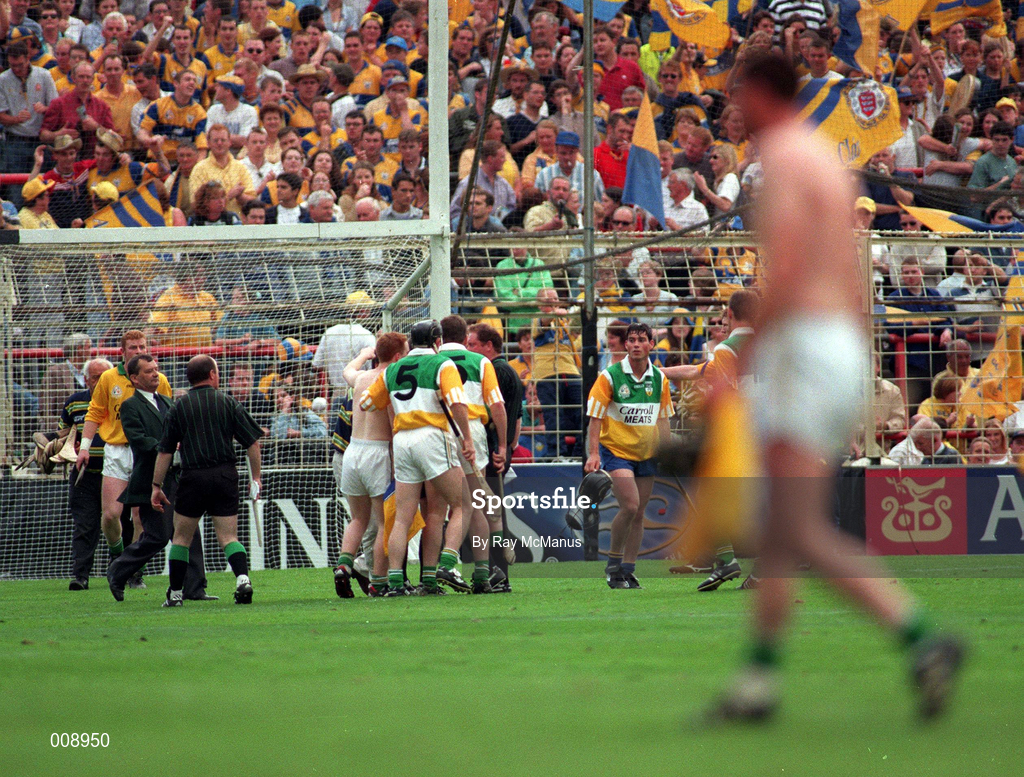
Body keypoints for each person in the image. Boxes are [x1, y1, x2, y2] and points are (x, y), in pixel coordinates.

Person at [706, 52, 964, 723]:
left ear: (759, 91)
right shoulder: (819, 157)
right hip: (835, 345)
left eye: (735, 93)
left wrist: (745, 356)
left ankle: (923, 637)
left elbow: (786, 270)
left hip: (806, 346)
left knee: (792, 527)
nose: (730, 107)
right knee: (786, 533)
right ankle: (758, 683)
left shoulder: (785, 159)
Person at [359, 320, 475, 596]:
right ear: (437, 341)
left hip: (402, 441)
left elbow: (366, 402)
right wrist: (467, 439)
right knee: (463, 503)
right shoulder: (442, 364)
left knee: (402, 517)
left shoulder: (393, 369)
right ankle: (447, 563)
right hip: (431, 436)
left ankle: (396, 582)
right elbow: (457, 402)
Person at [152, 355, 264, 607]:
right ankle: (243, 579)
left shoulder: (179, 407)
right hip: (224, 475)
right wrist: (255, 478)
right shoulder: (228, 402)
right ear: (212, 374)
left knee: (181, 538)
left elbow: (165, 451)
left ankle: (177, 594)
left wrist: (156, 486)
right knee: (228, 537)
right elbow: (253, 442)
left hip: (192, 477)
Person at [107, 354, 213, 602]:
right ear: (134, 378)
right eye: (148, 371)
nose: (156, 374)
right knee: (157, 535)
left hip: (176, 478)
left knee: (190, 533)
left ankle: (194, 588)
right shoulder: (130, 406)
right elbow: (138, 440)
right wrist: (167, 448)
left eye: (156, 369)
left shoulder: (167, 401)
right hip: (149, 480)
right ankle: (118, 570)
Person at [76, 330, 172, 586]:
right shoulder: (109, 378)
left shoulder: (159, 379)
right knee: (110, 515)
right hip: (117, 450)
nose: (138, 351)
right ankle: (119, 557)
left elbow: (168, 416)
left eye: (142, 346)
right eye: (133, 347)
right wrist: (84, 447)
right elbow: (95, 413)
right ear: (122, 352)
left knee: (141, 516)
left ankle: (133, 570)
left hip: (146, 452)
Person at [585, 322, 673, 589]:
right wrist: (593, 453)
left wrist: (668, 453)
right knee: (631, 505)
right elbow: (595, 418)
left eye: (641, 340)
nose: (636, 344)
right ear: (626, 345)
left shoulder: (660, 378)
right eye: (632, 340)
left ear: (650, 345)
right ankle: (612, 567)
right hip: (617, 452)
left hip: (648, 453)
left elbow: (664, 419)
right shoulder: (609, 376)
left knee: (639, 513)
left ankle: (628, 569)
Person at [333, 333, 408, 598]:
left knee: (358, 519)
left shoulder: (362, 378)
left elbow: (347, 371)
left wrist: (364, 356)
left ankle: (343, 564)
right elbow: (392, 424)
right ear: (398, 356)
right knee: (384, 522)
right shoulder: (388, 381)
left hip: (352, 451)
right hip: (376, 452)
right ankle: (378, 580)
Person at [438, 315, 508, 594]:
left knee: (435, 509)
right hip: (472, 433)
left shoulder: (431, 360)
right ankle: (468, 567)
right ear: (466, 338)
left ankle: (431, 576)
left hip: (437, 432)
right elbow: (498, 406)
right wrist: (502, 446)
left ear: (439, 338)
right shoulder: (481, 362)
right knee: (474, 502)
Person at [467, 322, 523, 592]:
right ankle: (498, 572)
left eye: (473, 345)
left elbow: (495, 409)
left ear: (489, 346)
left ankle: (498, 572)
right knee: (491, 512)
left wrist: (500, 448)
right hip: (499, 450)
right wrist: (510, 445)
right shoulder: (510, 370)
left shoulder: (496, 371)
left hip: (490, 451)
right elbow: (518, 416)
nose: (469, 350)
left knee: (488, 513)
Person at [61, 357, 112, 590]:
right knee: (85, 526)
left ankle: (126, 574)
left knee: (119, 524)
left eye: (104, 377)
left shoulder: (120, 402)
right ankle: (80, 576)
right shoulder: (74, 403)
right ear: (85, 379)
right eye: (95, 377)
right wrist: (56, 447)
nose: (100, 381)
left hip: (115, 474)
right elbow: (64, 435)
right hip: (85, 474)